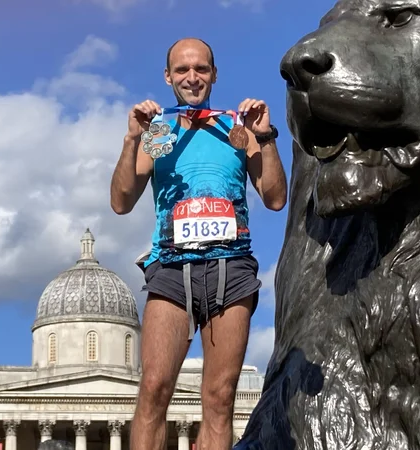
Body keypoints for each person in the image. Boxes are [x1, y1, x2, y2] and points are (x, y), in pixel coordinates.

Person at [109, 37, 287, 450]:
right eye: (183, 70)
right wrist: (131, 139)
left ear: (214, 75)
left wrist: (267, 136)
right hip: (171, 269)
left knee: (220, 398)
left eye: (201, 69)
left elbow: (276, 199)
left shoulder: (237, 129)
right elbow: (121, 202)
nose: (192, 78)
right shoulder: (160, 133)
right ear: (168, 77)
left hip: (232, 269)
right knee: (153, 388)